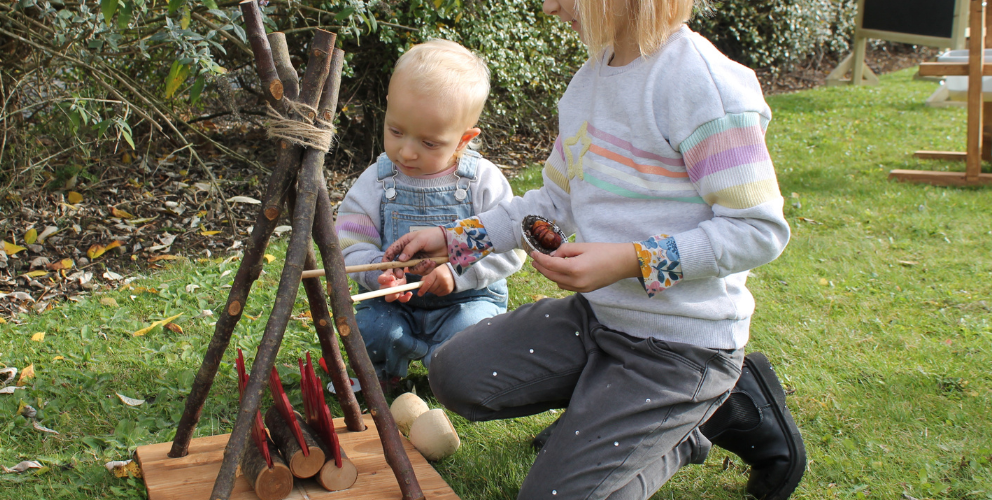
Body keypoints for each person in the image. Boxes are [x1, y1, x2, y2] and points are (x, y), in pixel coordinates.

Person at [377, 0, 806, 498]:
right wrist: (453, 240)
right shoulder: (588, 83)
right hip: (599, 322)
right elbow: (551, 204)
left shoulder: (701, 84)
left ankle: (692, 424)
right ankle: (632, 411)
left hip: (681, 350)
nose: (549, 7)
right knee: (455, 373)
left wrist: (630, 261)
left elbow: (756, 229)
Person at [334, 39, 525, 388]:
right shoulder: (377, 181)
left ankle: (449, 371)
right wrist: (378, 273)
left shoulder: (481, 182)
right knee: (370, 329)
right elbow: (349, 238)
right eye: (396, 131)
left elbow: (510, 247)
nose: (406, 152)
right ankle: (383, 372)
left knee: (472, 333)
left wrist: (457, 273)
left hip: (467, 300)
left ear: (464, 139)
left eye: (429, 143)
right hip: (395, 305)